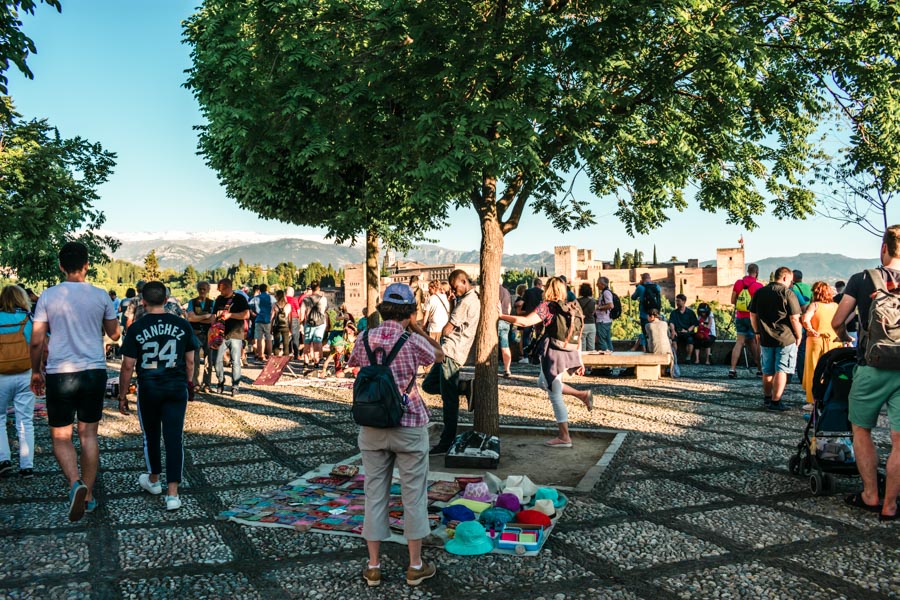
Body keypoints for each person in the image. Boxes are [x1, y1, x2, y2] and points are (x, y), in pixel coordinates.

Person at [347, 283, 443, 588]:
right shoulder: (412, 340)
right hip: (409, 422)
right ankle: (415, 566)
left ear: (381, 308)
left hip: (372, 424)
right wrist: (417, 329)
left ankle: (373, 566)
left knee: (374, 494)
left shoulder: (363, 337)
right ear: (410, 312)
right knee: (414, 496)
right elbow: (439, 356)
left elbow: (354, 366)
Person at [29, 242, 120, 521]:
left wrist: (36, 371)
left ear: (60, 266)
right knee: (88, 435)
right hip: (93, 371)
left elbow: (36, 341)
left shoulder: (47, 296)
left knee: (60, 435)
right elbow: (115, 335)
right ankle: (89, 496)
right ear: (87, 265)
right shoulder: (101, 295)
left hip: (60, 372)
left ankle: (75, 483)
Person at [831, 225, 900, 521]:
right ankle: (891, 505)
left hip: (871, 366)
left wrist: (845, 337)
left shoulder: (862, 279)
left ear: (883, 248)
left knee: (861, 429)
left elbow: (837, 320)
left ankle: (870, 494)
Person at [117, 282, 197, 512]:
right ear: (166, 299)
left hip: (150, 388)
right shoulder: (182, 325)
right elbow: (190, 360)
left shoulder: (137, 328)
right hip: (175, 387)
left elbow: (127, 366)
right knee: (174, 438)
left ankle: (154, 479)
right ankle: (173, 494)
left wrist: (122, 396)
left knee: (151, 436)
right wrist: (189, 383)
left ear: (142, 301)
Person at [500, 277, 593, 448]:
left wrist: (501, 316)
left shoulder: (548, 307)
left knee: (554, 393)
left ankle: (564, 437)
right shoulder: (570, 307)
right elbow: (577, 335)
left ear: (547, 289)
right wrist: (579, 360)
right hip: (567, 351)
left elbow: (525, 321)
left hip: (553, 353)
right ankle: (582, 395)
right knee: (543, 383)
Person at [422, 270, 480, 455]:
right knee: (429, 385)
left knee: (449, 402)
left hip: (451, 352)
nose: (455, 291)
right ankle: (464, 387)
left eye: (456, 287)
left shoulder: (467, 301)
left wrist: (441, 335)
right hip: (447, 353)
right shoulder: (470, 298)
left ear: (464, 281)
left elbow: (448, 329)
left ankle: (446, 442)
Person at [748, 267, 802, 411]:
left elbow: (752, 315)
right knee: (782, 369)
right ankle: (776, 401)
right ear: (785, 278)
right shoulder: (787, 293)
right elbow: (794, 318)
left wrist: (757, 332)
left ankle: (767, 398)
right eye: (790, 280)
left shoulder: (760, 292)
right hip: (785, 338)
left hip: (765, 337)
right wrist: (799, 335)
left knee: (767, 370)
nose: (791, 283)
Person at [0, 285, 35, 478]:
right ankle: (26, 466)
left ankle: (3, 459)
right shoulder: (28, 319)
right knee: (25, 420)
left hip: (0, 374)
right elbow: (40, 343)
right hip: (25, 373)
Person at [800, 281, 839, 407]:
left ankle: (813, 401)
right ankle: (830, 397)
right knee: (832, 369)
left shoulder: (814, 305)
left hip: (816, 340)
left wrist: (811, 330)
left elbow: (805, 319)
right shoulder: (835, 306)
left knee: (814, 370)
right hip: (834, 341)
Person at [212, 278, 251, 396]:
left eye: (221, 289)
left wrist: (230, 315)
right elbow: (214, 315)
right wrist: (212, 327)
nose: (220, 292)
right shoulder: (219, 299)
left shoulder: (240, 298)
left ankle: (235, 386)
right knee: (217, 360)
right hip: (220, 334)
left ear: (228, 287)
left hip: (235, 333)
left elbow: (246, 314)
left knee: (236, 361)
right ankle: (220, 380)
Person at [729, 263, 763, 378]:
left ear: (747, 271)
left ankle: (732, 369)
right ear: (756, 272)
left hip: (740, 317)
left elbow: (733, 301)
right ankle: (760, 369)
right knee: (757, 343)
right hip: (753, 318)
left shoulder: (739, 283)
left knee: (739, 343)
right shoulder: (759, 286)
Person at [186, 281, 215, 393]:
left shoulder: (213, 303)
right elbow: (190, 318)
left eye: (204, 289)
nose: (202, 291)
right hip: (196, 333)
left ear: (208, 290)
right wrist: (206, 316)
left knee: (209, 360)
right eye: (200, 289)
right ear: (197, 290)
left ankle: (207, 384)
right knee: (195, 360)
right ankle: (195, 384)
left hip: (209, 334)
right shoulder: (192, 302)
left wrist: (199, 317)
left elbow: (213, 319)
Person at [300, 281, 329, 368]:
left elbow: (301, 315)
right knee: (317, 342)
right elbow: (325, 311)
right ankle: (316, 363)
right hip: (320, 324)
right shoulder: (323, 299)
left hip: (309, 323)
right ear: (319, 288)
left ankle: (305, 363)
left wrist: (301, 324)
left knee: (307, 344)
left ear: (311, 288)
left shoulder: (305, 299)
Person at [792, 270, 813, 384]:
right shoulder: (809, 287)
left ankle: (790, 373)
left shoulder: (793, 289)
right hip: (806, 320)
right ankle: (802, 375)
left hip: (796, 319)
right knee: (803, 350)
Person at [668, 294, 699, 362]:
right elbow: (671, 322)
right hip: (677, 332)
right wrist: (673, 331)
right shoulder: (674, 313)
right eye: (676, 301)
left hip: (687, 332)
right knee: (673, 340)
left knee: (690, 340)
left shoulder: (690, 312)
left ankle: (688, 358)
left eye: (678, 301)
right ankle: (674, 358)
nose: (677, 303)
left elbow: (694, 324)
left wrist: (687, 330)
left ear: (684, 301)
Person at [248, 283, 273, 362]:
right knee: (268, 338)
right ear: (266, 289)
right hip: (268, 319)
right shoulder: (270, 297)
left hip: (258, 319)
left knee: (259, 338)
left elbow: (249, 306)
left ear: (259, 290)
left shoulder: (256, 298)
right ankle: (269, 355)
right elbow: (274, 306)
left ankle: (261, 355)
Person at [520, 278, 544, 351]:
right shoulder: (543, 293)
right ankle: (538, 354)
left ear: (534, 284)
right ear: (540, 284)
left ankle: (526, 355)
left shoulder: (527, 292)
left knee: (526, 335)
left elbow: (522, 303)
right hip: (539, 316)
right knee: (539, 335)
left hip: (529, 315)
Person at [498, 278, 513, 378]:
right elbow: (510, 307)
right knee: (505, 346)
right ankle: (507, 369)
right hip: (506, 319)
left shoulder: (496, 290)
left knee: (491, 346)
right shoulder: (507, 291)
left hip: (497, 319)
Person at [595, 277, 615, 352]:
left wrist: (599, 307)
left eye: (598, 283)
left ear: (602, 284)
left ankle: (606, 355)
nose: (597, 285)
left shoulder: (606, 293)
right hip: (606, 320)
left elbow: (610, 305)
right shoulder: (605, 292)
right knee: (607, 339)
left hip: (603, 320)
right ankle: (611, 354)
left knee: (601, 340)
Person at [576, 283, 597, 352]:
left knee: (582, 346)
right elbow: (594, 312)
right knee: (591, 346)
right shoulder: (593, 301)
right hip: (591, 324)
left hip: (581, 324)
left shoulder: (577, 301)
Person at [272, 289, 293, 356]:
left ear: (277, 296)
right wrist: (290, 328)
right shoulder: (288, 305)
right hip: (285, 326)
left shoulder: (274, 305)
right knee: (286, 343)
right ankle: (285, 358)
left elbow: (272, 317)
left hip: (277, 326)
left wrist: (270, 327)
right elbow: (290, 318)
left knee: (276, 343)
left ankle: (276, 357)